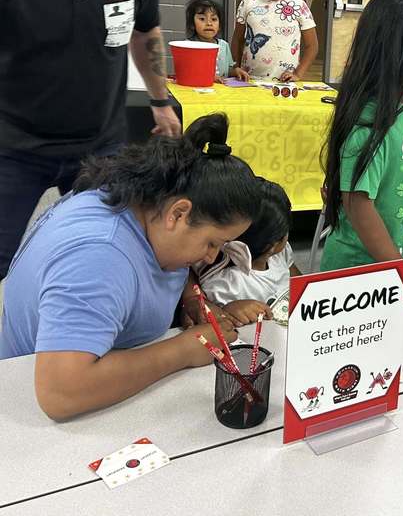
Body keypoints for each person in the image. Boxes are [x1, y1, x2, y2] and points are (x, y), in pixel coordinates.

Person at [0, 114, 262, 420]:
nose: (212, 258)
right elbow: (61, 393)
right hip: (28, 413)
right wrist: (184, 351)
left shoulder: (145, 198)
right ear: (178, 213)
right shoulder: (99, 257)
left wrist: (191, 298)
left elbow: (173, 263)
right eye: (212, 243)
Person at [0, 0, 183, 281]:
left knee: (104, 255)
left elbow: (145, 33)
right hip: (10, 144)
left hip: (99, 145)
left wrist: (160, 100)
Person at [319, 0, 403, 307]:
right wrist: (400, 269)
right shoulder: (369, 123)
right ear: (397, 52)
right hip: (360, 282)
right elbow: (359, 206)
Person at [184, 178, 302, 328]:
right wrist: (228, 311)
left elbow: (301, 283)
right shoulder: (227, 283)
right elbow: (218, 324)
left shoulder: (281, 252)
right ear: (273, 245)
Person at [232, 0, 318, 82]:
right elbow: (237, 39)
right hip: (249, 80)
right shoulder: (248, 1)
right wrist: (235, 67)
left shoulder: (299, 6)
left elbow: (312, 46)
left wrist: (298, 74)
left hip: (284, 83)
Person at [185, 0, 249, 83]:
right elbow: (186, 72)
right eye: (202, 19)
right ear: (192, 24)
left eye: (214, 19)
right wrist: (208, 77)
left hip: (221, 93)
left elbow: (227, 70)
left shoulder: (224, 45)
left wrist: (236, 71)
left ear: (219, 26)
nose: (209, 23)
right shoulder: (188, 45)